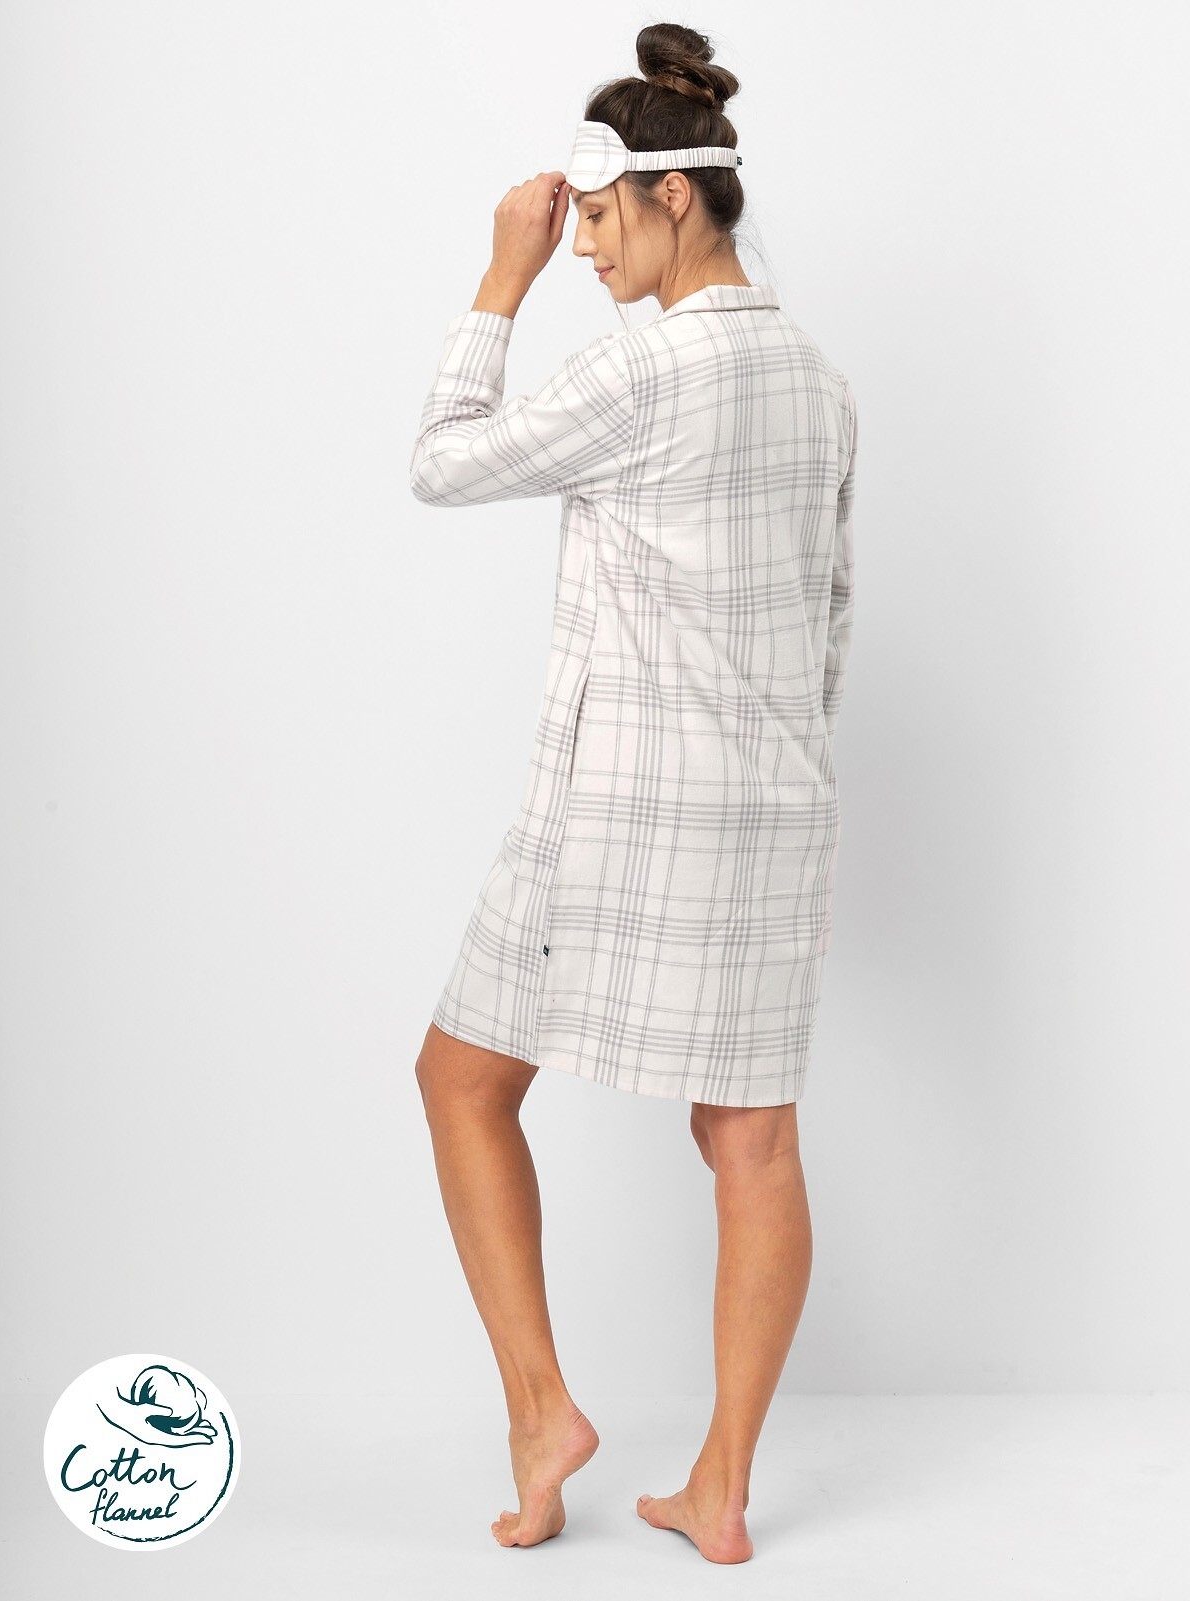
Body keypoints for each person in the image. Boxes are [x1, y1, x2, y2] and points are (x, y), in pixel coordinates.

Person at [408, 22, 858, 1567]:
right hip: (779, 808)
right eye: (572, 222)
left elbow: (443, 460)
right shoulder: (819, 379)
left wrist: (502, 277)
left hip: (617, 808)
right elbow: (831, 609)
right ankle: (719, 1485)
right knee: (754, 1141)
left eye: (600, 215)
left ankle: (544, 1413)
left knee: (460, 1079)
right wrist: (778, 768)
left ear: (675, 197)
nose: (584, 244)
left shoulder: (643, 368)